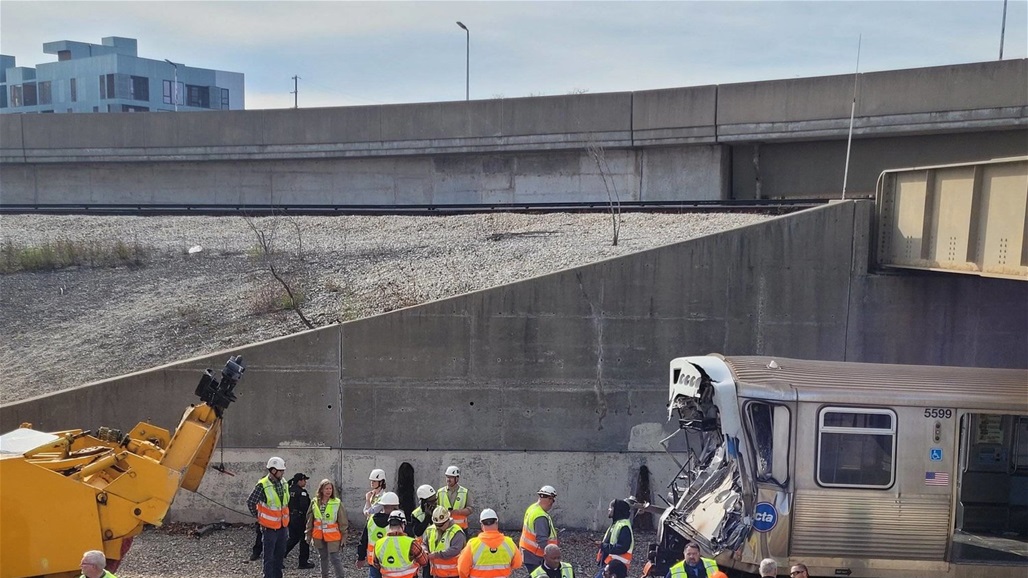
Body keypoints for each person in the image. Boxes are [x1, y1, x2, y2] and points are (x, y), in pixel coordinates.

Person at [247, 456, 291, 578]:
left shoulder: (284, 483)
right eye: (281, 471)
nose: (283, 473)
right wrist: (259, 517)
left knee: (279, 556)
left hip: (282, 527)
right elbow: (251, 502)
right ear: (273, 471)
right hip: (269, 529)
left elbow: (285, 504)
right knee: (269, 558)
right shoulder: (262, 485)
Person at [457, 508, 522, 578]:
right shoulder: (509, 543)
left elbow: (462, 569)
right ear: (496, 523)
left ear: (482, 525)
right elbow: (517, 564)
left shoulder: (473, 545)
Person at [307, 478, 348, 578]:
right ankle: (324, 576)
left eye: (330, 488)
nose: (329, 491)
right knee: (323, 557)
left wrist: (344, 537)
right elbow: (310, 520)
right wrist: (308, 534)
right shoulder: (315, 502)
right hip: (319, 535)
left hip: (333, 536)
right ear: (321, 489)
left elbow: (343, 521)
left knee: (335, 558)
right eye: (326, 488)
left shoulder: (337, 503)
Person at [372, 510, 429, 578]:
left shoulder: (378, 544)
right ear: (403, 524)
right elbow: (424, 561)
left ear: (389, 524)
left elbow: (376, 564)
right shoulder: (412, 543)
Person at [359, 491, 402, 578]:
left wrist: (361, 557)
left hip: (373, 560)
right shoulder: (397, 523)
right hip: (391, 561)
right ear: (396, 506)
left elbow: (364, 540)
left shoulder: (371, 520)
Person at [519, 485, 558, 573]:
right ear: (549, 499)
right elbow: (542, 541)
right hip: (536, 556)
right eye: (552, 500)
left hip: (528, 552)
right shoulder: (540, 517)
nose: (552, 503)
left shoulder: (533, 508)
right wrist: (552, 557)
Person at [595, 499, 633, 578]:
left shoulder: (623, 526)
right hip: (610, 565)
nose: (609, 509)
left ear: (617, 510)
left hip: (615, 568)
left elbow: (622, 547)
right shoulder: (617, 524)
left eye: (611, 507)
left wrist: (603, 546)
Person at [425, 506, 466, 578]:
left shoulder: (456, 532)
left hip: (453, 574)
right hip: (436, 574)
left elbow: (455, 550)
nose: (438, 527)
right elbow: (424, 543)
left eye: (441, 525)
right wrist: (425, 551)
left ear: (447, 520)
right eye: (436, 524)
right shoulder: (430, 530)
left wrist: (437, 555)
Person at [286, 472, 315, 569]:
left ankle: (280, 555)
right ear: (300, 481)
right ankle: (303, 562)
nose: (305, 482)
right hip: (300, 518)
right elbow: (305, 507)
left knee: (293, 538)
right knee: (304, 540)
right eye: (304, 480)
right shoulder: (302, 492)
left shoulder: (289, 490)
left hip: (290, 517)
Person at [437, 465, 472, 534]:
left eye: (451, 477)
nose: (448, 479)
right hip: (443, 527)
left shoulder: (465, 492)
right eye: (447, 477)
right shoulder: (440, 492)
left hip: (461, 528)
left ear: (457, 478)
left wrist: (458, 512)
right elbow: (436, 509)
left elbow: (470, 509)